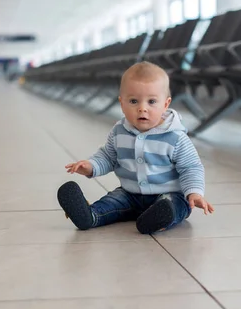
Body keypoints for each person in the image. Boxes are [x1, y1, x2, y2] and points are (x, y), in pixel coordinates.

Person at [57, 61, 214, 234]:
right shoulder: (119, 132)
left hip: (169, 193)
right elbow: (108, 157)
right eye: (133, 101)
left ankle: (160, 218)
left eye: (152, 101)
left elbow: (191, 167)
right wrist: (91, 166)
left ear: (166, 104)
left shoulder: (176, 137)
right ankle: (90, 216)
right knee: (112, 201)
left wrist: (194, 193)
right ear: (122, 104)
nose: (142, 108)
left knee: (174, 204)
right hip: (130, 194)